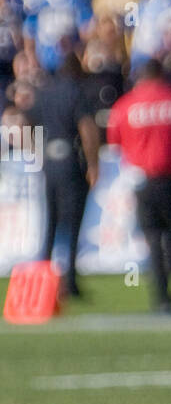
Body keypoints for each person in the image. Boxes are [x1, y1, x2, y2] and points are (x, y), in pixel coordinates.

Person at [107, 59, 171, 313]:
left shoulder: (125, 105)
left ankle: (162, 299)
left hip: (143, 182)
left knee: (154, 243)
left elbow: (116, 145)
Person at [29, 57, 100, 298]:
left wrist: (36, 149)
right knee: (72, 224)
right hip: (71, 161)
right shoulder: (77, 92)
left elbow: (27, 121)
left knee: (51, 224)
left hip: (50, 161)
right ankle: (69, 282)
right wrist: (93, 163)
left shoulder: (44, 93)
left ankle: (41, 282)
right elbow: (87, 128)